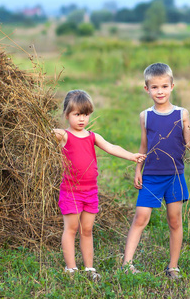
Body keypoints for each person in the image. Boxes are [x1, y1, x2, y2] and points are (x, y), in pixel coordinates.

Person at [53, 89, 146, 281]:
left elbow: (112, 147)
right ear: (66, 114)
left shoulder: (92, 136)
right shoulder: (63, 136)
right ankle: (71, 268)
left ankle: (89, 268)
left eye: (85, 114)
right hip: (71, 191)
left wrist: (131, 156)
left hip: (90, 192)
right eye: (76, 114)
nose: (81, 119)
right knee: (70, 229)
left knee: (87, 230)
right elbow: (42, 134)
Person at [122, 63, 190, 279]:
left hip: (175, 176)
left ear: (172, 86)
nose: (160, 91)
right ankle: (127, 264)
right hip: (152, 177)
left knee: (174, 220)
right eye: (155, 87)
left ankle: (173, 267)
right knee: (140, 217)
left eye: (164, 86)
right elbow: (144, 145)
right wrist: (139, 169)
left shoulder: (182, 113)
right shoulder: (145, 116)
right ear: (147, 89)